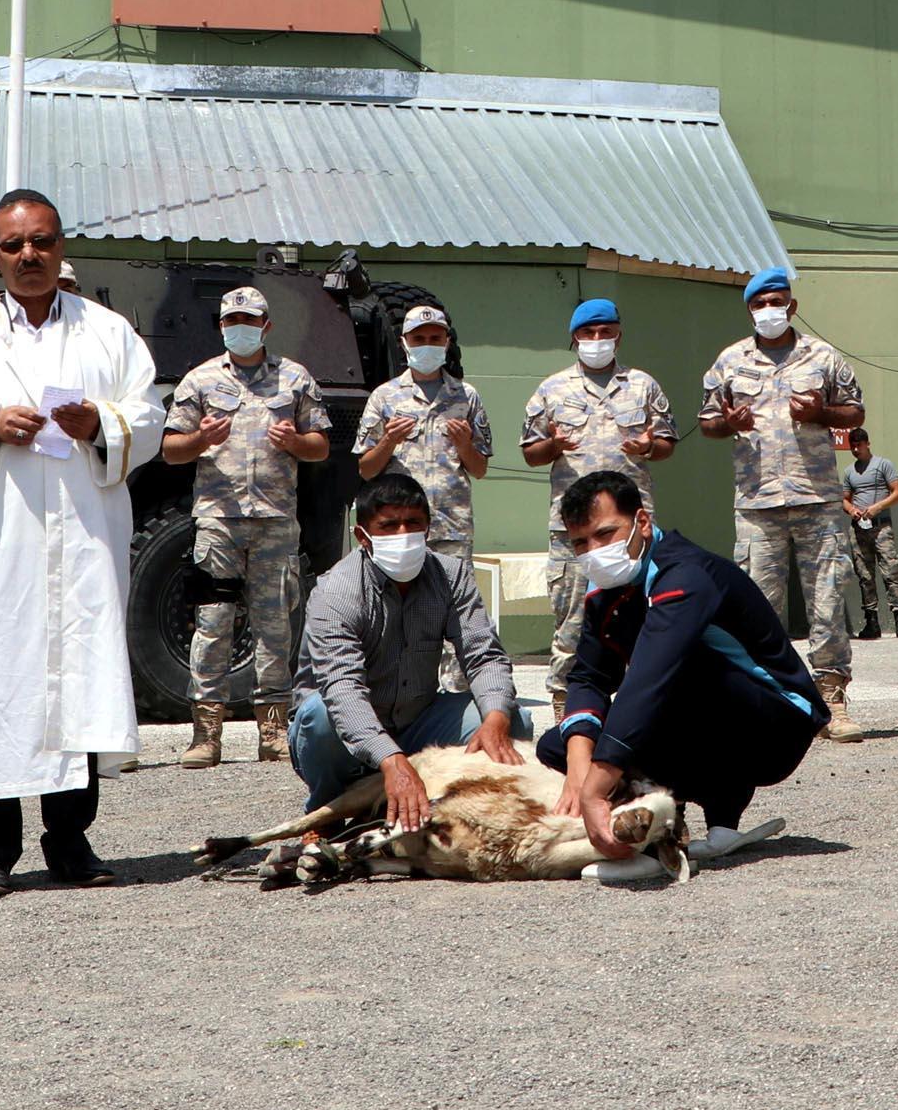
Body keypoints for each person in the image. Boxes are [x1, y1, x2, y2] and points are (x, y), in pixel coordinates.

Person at [0, 190, 163, 898]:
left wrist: (99, 423)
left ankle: (70, 841)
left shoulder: (108, 334)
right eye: (14, 245)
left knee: (76, 679)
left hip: (79, 543)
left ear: (60, 247)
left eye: (41, 242)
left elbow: (149, 416)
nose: (28, 256)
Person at [541, 469, 824, 883]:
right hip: (711, 725)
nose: (593, 551)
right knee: (558, 745)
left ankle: (664, 829)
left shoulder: (686, 573)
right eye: (580, 542)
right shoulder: (604, 595)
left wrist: (596, 789)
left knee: (677, 670)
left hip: (776, 726)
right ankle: (658, 830)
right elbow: (589, 678)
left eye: (605, 534)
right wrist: (581, 766)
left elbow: (651, 677)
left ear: (642, 522)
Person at [162, 284, 331, 767]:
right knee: (212, 623)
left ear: (266, 326)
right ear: (221, 327)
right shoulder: (199, 381)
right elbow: (171, 450)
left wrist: (297, 440)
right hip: (218, 520)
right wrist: (200, 437)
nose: (241, 329)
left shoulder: (295, 379)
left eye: (249, 321)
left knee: (274, 626)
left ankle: (273, 731)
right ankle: (206, 735)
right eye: (232, 322)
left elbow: (320, 445)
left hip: (275, 521)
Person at [288, 473, 524, 817]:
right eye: (389, 525)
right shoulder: (336, 591)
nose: (403, 535)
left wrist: (496, 716)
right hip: (345, 731)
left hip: (418, 720)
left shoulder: (451, 575)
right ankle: (326, 810)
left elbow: (483, 655)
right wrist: (391, 759)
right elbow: (343, 689)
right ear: (362, 536)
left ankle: (454, 804)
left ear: (428, 527)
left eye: (413, 523)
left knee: (512, 721)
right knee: (319, 717)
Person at [698, 269, 869, 742]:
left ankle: (832, 701)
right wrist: (728, 422)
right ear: (750, 310)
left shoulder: (822, 356)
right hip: (757, 502)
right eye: (760, 303)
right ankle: (769, 704)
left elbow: (855, 412)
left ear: (791, 306)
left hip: (817, 498)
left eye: (777, 301)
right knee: (757, 610)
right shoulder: (730, 361)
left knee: (828, 602)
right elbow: (707, 422)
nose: (769, 310)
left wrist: (821, 414)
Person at [519, 299, 678, 724]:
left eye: (605, 332)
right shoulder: (553, 390)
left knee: (640, 614)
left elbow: (666, 442)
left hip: (630, 528)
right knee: (572, 618)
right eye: (588, 333)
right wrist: (553, 446)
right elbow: (531, 453)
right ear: (574, 338)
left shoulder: (643, 386)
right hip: (573, 529)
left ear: (618, 336)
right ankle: (567, 706)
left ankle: (638, 706)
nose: (596, 340)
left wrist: (649, 447)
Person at [352, 304, 491, 593]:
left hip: (451, 528)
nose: (427, 345)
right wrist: (388, 441)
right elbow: (366, 470)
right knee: (397, 606)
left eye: (434, 339)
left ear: (446, 342)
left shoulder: (466, 396)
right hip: (399, 530)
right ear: (404, 343)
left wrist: (464, 445)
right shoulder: (384, 397)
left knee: (455, 609)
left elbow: (479, 470)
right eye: (419, 339)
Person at [841, 428, 898, 640]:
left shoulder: (883, 465)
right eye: (852, 445)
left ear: (867, 443)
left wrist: (877, 507)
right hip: (859, 529)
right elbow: (844, 498)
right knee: (865, 575)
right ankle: (871, 622)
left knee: (891, 572)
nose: (856, 449)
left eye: (859, 444)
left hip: (881, 527)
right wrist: (852, 510)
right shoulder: (849, 472)